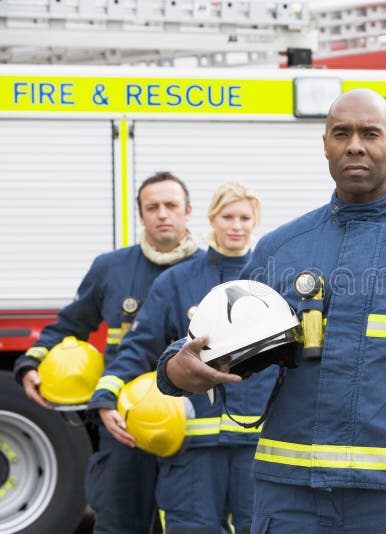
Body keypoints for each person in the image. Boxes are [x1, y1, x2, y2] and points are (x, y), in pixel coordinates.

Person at [157, 88, 386, 534]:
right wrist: (176, 368)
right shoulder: (282, 249)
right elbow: (216, 333)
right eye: (341, 133)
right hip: (290, 501)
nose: (355, 144)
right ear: (325, 144)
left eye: (370, 133)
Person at [13, 171, 198, 534]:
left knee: (194, 525)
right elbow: (69, 325)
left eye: (171, 205)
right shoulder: (111, 269)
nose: (163, 214)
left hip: (193, 424)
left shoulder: (210, 268)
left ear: (188, 211)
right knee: (118, 524)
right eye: (152, 207)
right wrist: (29, 362)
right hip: (122, 422)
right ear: (141, 215)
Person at [87, 181, 269, 533]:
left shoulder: (271, 280)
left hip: (255, 447)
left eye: (245, 217)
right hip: (194, 449)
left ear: (255, 222)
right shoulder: (175, 281)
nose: (236, 225)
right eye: (227, 216)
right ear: (210, 219)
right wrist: (106, 394)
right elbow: (140, 346)